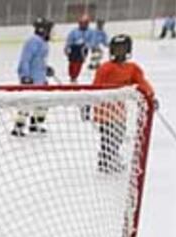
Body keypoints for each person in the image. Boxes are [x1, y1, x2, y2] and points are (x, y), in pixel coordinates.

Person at [92, 34, 156, 173]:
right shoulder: (105, 68)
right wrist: (89, 104)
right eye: (116, 49)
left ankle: (110, 158)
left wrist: (150, 96)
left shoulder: (132, 68)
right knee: (108, 137)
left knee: (119, 136)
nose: (119, 52)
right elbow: (95, 87)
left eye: (123, 48)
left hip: (119, 111)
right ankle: (105, 161)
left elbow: (141, 83)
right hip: (105, 111)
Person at [12, 17, 55, 137]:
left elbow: (39, 61)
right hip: (31, 80)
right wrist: (25, 76)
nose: (50, 31)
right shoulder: (32, 41)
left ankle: (35, 124)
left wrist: (46, 69)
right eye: (48, 29)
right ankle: (18, 127)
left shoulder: (43, 43)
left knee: (43, 102)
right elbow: (25, 60)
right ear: (42, 29)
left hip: (41, 80)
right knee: (26, 103)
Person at [65, 14, 91, 83]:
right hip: (74, 49)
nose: (83, 25)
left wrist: (87, 46)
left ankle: (75, 76)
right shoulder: (74, 31)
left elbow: (91, 41)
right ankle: (71, 76)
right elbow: (69, 40)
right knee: (72, 63)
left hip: (82, 50)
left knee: (79, 63)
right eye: (82, 23)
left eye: (85, 23)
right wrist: (67, 48)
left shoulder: (90, 32)